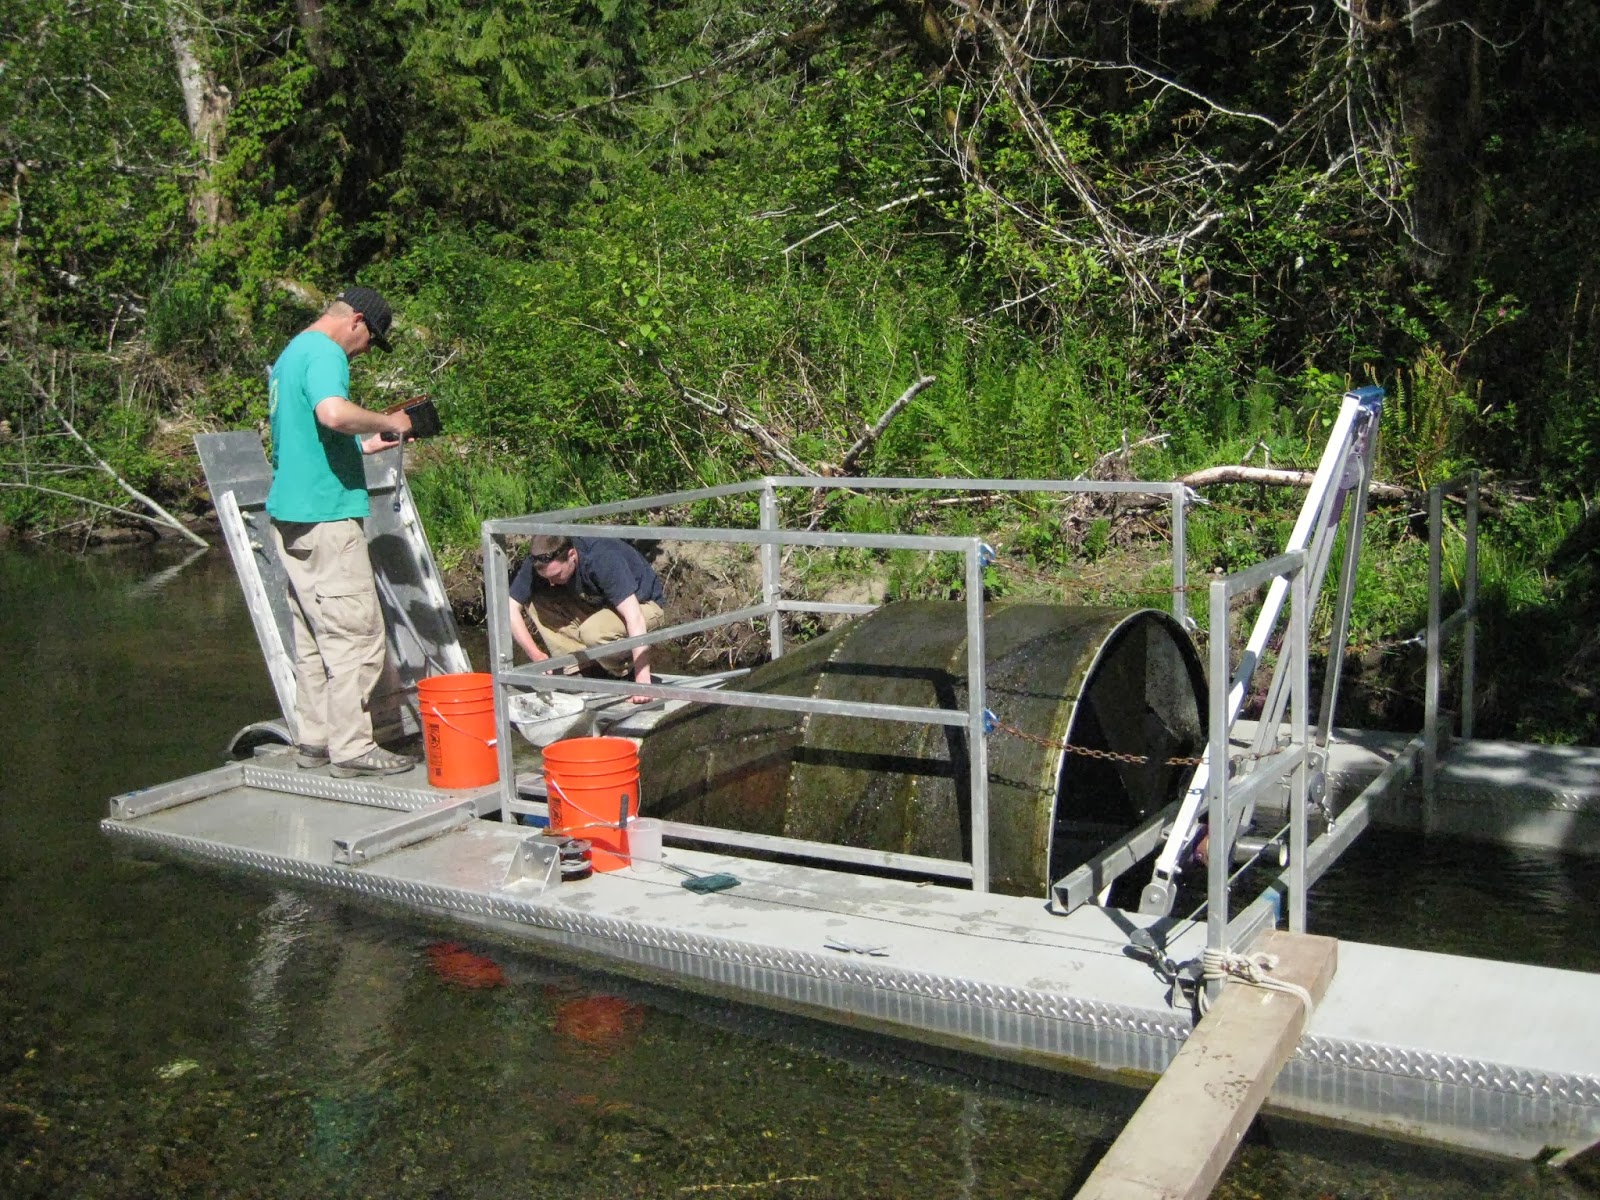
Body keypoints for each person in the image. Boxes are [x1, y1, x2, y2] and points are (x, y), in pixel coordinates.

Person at [266, 286, 416, 777]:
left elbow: (308, 436)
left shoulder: (292, 354)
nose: (366, 350)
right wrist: (391, 420)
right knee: (357, 635)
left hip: (292, 514)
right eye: (371, 339)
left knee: (315, 636)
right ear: (356, 321)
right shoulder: (327, 352)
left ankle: (315, 741)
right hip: (327, 518)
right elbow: (332, 413)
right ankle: (352, 749)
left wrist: (366, 444)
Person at [508, 534, 666, 703]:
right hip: (598, 606)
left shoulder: (601, 557)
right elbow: (510, 608)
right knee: (536, 601)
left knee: (594, 631)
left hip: (644, 606)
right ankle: (582, 668)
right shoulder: (540, 558)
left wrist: (643, 681)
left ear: (572, 555)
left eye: (557, 575)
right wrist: (536, 654)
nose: (551, 582)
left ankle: (623, 672)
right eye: (546, 577)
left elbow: (634, 617)